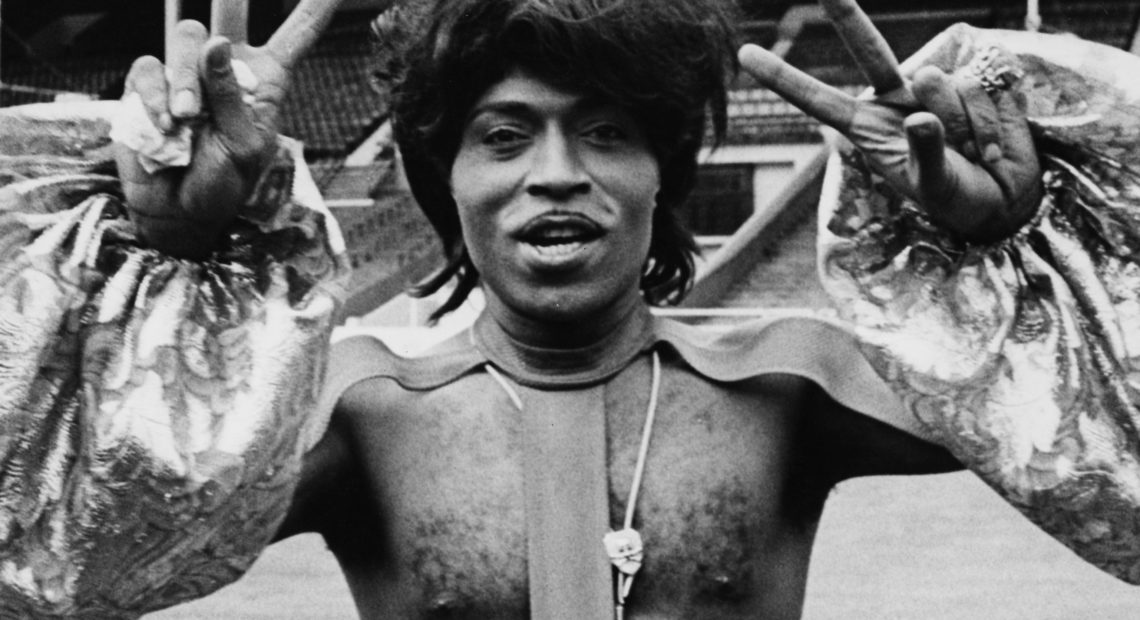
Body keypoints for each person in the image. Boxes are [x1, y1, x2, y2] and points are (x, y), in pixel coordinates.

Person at [3, 0, 1139, 617]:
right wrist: (153, 256)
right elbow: (51, 552)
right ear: (439, 179)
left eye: (608, 131)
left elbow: (1109, 446)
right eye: (505, 135)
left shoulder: (789, 382)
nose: (556, 173)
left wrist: (1017, 241)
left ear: (665, 174)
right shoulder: (363, 410)